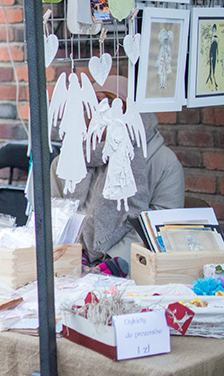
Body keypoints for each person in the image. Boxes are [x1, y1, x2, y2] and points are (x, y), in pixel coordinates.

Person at [50, 75, 185, 276]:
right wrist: (74, 253)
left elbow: (161, 226)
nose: (103, 110)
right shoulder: (67, 161)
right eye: (95, 103)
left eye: (112, 102)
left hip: (134, 271)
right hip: (70, 266)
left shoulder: (163, 162)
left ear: (131, 111)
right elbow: (54, 213)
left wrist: (115, 263)